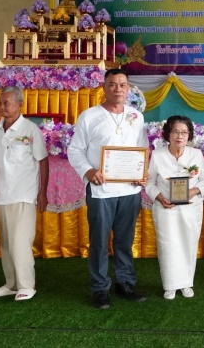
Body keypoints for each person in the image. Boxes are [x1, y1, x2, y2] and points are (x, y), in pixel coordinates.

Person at [68, 68, 149, 309]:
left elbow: (142, 148)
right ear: (104, 87)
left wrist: (141, 172)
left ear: (128, 89)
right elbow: (75, 150)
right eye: (112, 84)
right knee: (99, 242)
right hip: (101, 190)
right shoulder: (89, 116)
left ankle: (125, 282)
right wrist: (88, 171)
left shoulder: (136, 116)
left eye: (122, 85)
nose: (118, 89)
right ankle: (100, 287)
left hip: (130, 191)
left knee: (125, 240)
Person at [0, 86, 49, 301]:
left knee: (20, 241)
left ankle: (27, 285)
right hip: (2, 194)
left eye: (7, 103)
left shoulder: (30, 129)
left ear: (20, 105)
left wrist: (42, 193)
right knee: (7, 243)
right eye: (0, 103)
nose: (2, 107)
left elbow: (43, 161)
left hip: (24, 194)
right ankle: (11, 284)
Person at [146, 115, 204, 300]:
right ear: (168, 133)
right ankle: (170, 286)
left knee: (188, 243)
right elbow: (149, 182)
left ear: (189, 135)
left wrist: (193, 191)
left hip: (191, 208)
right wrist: (160, 197)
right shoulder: (157, 155)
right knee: (168, 245)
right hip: (165, 209)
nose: (179, 136)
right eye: (175, 131)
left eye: (184, 132)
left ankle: (187, 283)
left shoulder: (195, 154)